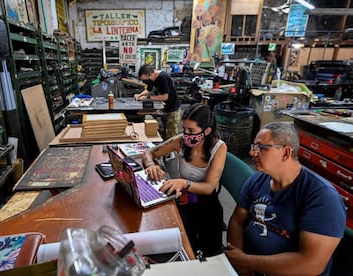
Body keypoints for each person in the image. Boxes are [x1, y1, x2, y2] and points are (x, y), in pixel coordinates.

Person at [225, 122, 346, 276]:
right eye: (253, 146)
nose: (252, 153)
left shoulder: (322, 197)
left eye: (261, 147)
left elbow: (310, 264)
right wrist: (241, 265)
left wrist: (246, 261)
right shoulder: (258, 180)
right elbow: (237, 220)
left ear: (286, 152)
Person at [142, 103, 227, 257]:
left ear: (207, 131)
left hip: (207, 204)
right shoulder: (181, 141)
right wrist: (150, 165)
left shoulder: (218, 147)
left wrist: (183, 183)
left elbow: (208, 187)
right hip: (185, 199)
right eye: (184, 129)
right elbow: (149, 152)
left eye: (191, 131)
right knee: (181, 242)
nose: (186, 134)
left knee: (208, 253)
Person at [135, 64, 181, 139]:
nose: (146, 81)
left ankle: (173, 150)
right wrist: (139, 95)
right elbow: (149, 89)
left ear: (151, 74)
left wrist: (147, 98)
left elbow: (165, 97)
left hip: (173, 109)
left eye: (146, 79)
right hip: (164, 108)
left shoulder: (163, 78)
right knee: (164, 133)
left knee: (172, 135)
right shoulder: (151, 78)